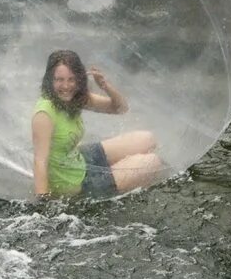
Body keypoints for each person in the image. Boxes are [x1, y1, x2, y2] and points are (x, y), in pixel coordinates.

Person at [31, 49, 162, 198]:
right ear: (50, 80)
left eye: (71, 79)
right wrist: (44, 204)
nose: (66, 86)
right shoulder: (44, 114)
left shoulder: (75, 97)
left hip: (79, 159)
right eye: (59, 80)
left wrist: (105, 85)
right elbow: (40, 161)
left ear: (78, 80)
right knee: (153, 162)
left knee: (148, 139)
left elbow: (120, 108)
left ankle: (123, 174)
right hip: (76, 184)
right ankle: (119, 186)